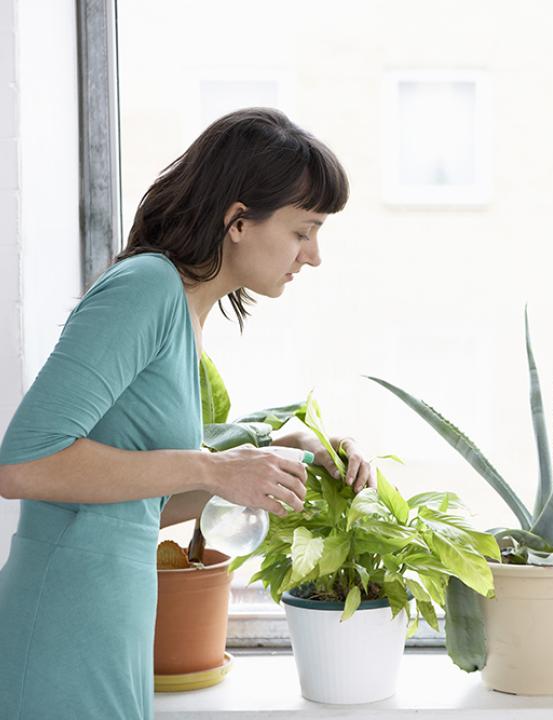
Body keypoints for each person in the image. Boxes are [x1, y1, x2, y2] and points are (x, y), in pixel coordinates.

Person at [0, 107, 372, 720]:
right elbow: (26, 463)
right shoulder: (145, 288)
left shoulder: (183, 314)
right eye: (304, 230)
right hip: (63, 623)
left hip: (107, 620)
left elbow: (138, 500)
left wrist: (283, 461)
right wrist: (214, 468)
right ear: (238, 221)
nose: (313, 256)